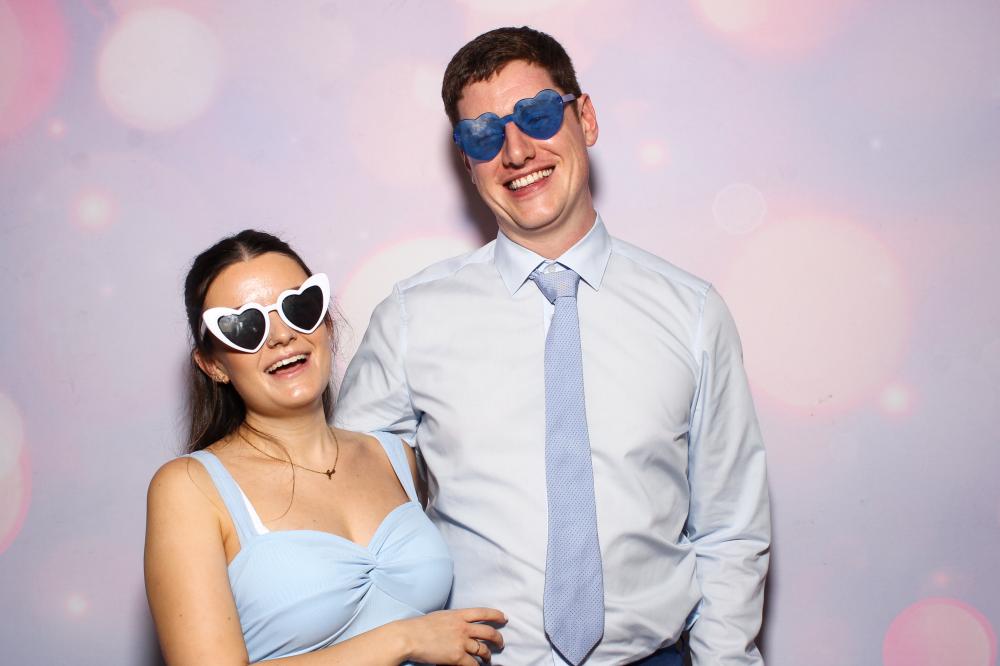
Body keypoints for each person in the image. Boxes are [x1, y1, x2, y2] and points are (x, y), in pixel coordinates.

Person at [336, 26, 770, 666]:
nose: (515, 151)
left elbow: (730, 528)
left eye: (537, 115)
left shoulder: (693, 313)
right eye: (484, 135)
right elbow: (341, 511)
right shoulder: (410, 319)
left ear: (584, 118)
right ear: (466, 162)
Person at [144, 230, 505, 665]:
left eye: (299, 307)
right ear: (213, 364)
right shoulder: (189, 488)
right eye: (246, 326)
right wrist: (402, 640)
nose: (281, 336)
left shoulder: (394, 457)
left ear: (326, 323)